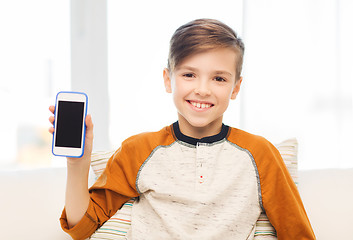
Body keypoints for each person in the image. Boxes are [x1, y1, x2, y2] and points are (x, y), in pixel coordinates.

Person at [49, 18, 316, 240]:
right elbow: (82, 227)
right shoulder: (138, 150)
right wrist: (78, 164)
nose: (202, 89)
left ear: (235, 87)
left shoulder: (261, 154)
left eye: (219, 78)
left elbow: (298, 234)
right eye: (189, 74)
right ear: (168, 80)